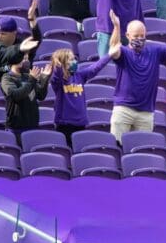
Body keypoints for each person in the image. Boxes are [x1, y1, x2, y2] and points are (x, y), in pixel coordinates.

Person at [110, 16, 166, 144]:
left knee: (143, 150)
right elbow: (113, 50)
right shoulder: (124, 52)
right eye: (135, 36)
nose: (139, 39)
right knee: (117, 146)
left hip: (146, 112)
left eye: (142, 35)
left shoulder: (154, 50)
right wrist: (116, 27)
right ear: (128, 35)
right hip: (123, 109)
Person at [49, 12, 119, 144]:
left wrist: (109, 55)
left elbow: (95, 68)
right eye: (70, 60)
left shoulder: (79, 76)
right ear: (62, 63)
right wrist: (57, 66)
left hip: (81, 123)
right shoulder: (59, 82)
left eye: (74, 58)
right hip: (64, 125)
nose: (74, 61)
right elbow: (56, 77)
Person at [0, 56, 49, 144]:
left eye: (27, 59)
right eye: (23, 58)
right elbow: (16, 95)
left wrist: (44, 79)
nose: (26, 61)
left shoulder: (28, 77)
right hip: (16, 129)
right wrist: (32, 80)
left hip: (33, 126)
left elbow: (41, 96)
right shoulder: (7, 78)